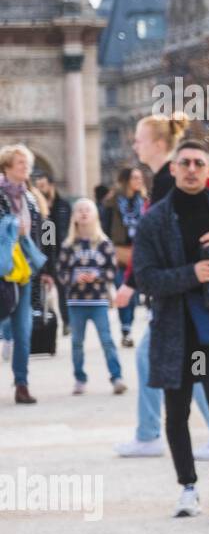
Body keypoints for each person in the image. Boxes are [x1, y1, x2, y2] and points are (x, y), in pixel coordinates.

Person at [133, 139, 209, 520]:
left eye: (198, 163)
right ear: (172, 169)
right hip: (175, 329)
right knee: (177, 411)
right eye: (183, 162)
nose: (190, 169)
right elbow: (145, 278)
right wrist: (192, 274)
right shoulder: (154, 219)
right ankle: (187, 487)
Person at [111, 114, 209, 458]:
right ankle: (156, 432)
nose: (134, 144)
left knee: (163, 358)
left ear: (157, 143)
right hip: (178, 286)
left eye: (139, 138)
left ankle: (155, 434)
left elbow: (151, 242)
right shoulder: (164, 180)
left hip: (181, 288)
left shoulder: (171, 179)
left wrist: (132, 283)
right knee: (170, 359)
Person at [56, 197, 127, 395]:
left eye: (87, 209)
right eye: (79, 210)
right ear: (74, 217)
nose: (84, 213)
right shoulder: (68, 245)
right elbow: (60, 272)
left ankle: (116, 377)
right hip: (76, 301)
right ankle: (79, 378)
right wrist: (74, 277)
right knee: (77, 343)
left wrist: (98, 276)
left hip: (98, 300)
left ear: (95, 214)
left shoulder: (104, 244)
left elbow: (113, 270)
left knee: (107, 340)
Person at [0, 143, 48, 404]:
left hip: (25, 269)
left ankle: (21, 383)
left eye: (27, 163)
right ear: (7, 166)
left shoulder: (30, 198)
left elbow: (39, 234)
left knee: (23, 329)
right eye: (21, 163)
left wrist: (45, 268)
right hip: (2, 269)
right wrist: (11, 226)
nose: (26, 167)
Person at [100, 166, 146, 347]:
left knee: (134, 295)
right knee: (122, 289)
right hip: (118, 252)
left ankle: (128, 324)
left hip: (139, 251)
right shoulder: (112, 202)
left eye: (140, 177)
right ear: (126, 180)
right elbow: (104, 227)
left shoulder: (143, 201)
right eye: (135, 177)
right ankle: (125, 329)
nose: (139, 181)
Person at [32, 170, 71, 336]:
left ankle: (67, 322)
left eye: (43, 186)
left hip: (61, 254)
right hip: (44, 253)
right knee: (40, 292)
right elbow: (46, 237)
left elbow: (66, 231)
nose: (40, 190)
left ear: (51, 185)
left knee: (63, 291)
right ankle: (40, 325)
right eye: (38, 187)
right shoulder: (37, 207)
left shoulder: (62, 205)